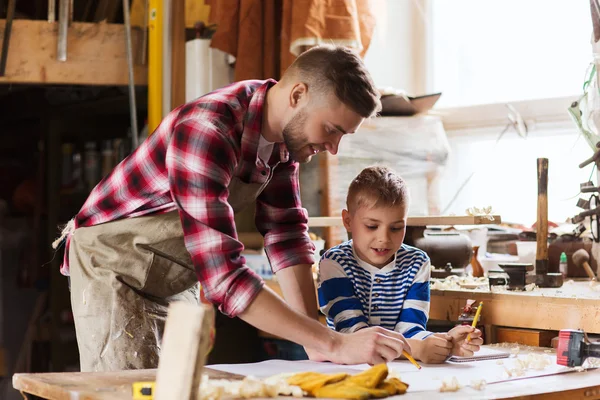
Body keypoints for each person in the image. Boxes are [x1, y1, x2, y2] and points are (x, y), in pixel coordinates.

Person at [53, 45, 411, 372]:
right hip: (115, 268)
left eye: (343, 137)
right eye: (331, 130)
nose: (333, 148)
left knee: (179, 390)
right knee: (129, 394)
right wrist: (333, 342)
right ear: (298, 95)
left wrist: (315, 342)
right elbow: (224, 276)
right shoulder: (207, 129)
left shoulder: (284, 143)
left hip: (170, 276)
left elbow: (286, 236)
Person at [317, 166, 483, 364]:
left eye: (396, 228)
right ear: (347, 221)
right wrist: (417, 348)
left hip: (399, 367)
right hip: (346, 370)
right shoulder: (334, 263)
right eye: (372, 226)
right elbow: (354, 334)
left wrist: (445, 343)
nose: (384, 238)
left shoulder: (417, 263)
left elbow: (411, 329)